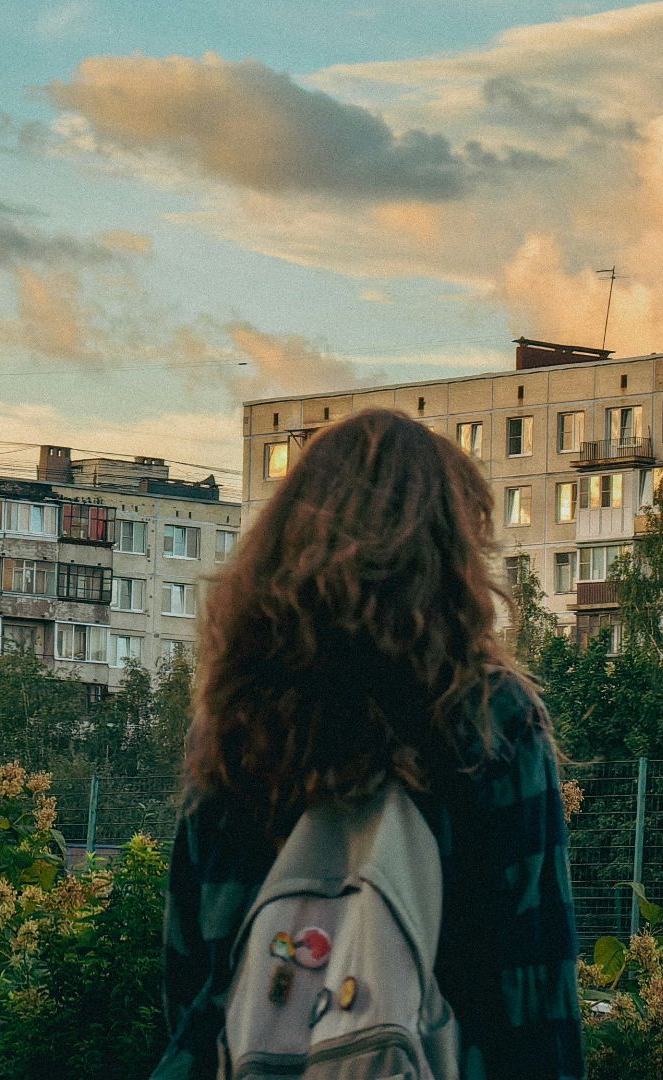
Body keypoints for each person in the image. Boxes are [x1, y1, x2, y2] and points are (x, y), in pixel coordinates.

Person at [152, 408, 584, 1080]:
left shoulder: (236, 722)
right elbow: (535, 989)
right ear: (449, 556)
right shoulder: (488, 719)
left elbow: (191, 972)